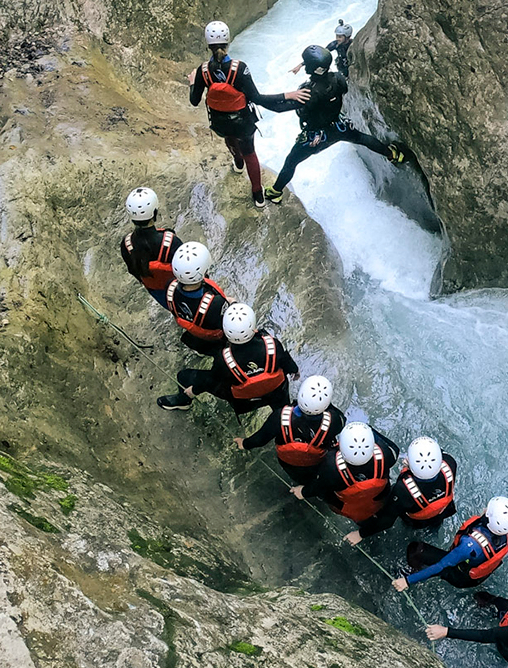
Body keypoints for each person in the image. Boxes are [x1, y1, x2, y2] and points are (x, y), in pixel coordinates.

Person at [262, 45, 409, 204]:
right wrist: (304, 64)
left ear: (313, 68)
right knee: (361, 138)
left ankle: (275, 192)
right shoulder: (338, 78)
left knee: (291, 161)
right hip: (338, 125)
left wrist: (256, 97)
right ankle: (393, 154)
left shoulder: (308, 92)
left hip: (316, 135)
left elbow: (278, 107)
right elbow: (331, 80)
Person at [188, 19, 309, 208]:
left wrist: (192, 81)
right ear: (227, 42)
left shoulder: (202, 71)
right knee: (250, 153)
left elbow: (194, 101)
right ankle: (258, 196)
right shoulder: (240, 68)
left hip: (220, 121)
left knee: (230, 139)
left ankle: (237, 162)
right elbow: (257, 98)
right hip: (242, 122)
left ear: (208, 44)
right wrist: (288, 95)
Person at [393, 496, 508, 592]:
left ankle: (413, 570)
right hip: (479, 573)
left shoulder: (470, 545)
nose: (485, 509)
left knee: (415, 550)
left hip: (461, 576)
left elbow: (441, 565)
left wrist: (408, 581)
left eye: (488, 511)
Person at [343, 436, 457, 545]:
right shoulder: (450, 463)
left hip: (416, 521)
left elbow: (387, 520)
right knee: (433, 527)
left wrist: (360, 534)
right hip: (442, 512)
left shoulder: (403, 490)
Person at [234, 374, 346, 485]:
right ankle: (310, 488)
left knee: (297, 476)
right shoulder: (334, 421)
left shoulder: (280, 417)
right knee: (314, 476)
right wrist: (328, 407)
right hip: (315, 462)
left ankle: (301, 483)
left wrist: (244, 443)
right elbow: (342, 421)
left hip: (289, 462)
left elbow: (260, 439)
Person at [157, 242, 230, 410]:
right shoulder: (215, 303)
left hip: (195, 336)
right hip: (217, 340)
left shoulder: (170, 287)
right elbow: (226, 325)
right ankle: (185, 399)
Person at [292, 421, 400, 527]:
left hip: (349, 505)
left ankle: (363, 523)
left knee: (356, 514)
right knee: (381, 505)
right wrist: (370, 430)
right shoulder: (386, 454)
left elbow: (319, 487)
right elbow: (395, 449)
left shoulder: (331, 466)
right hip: (379, 496)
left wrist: (303, 492)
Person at [119, 187, 183, 307]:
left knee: (173, 308)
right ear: (155, 213)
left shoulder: (126, 244)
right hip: (180, 289)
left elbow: (133, 271)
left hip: (155, 290)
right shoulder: (171, 242)